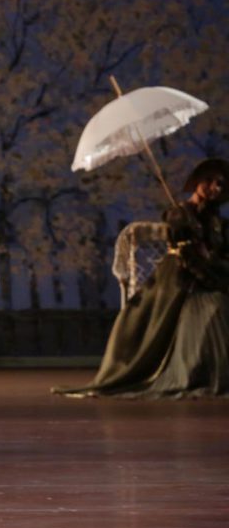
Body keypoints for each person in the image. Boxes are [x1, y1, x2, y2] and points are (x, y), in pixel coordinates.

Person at [54, 158, 229, 398]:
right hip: (180, 276)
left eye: (219, 183)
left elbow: (219, 252)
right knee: (211, 307)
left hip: (210, 275)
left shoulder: (217, 221)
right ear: (197, 181)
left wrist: (211, 258)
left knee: (219, 301)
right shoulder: (179, 213)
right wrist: (186, 232)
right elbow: (180, 244)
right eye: (208, 180)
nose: (213, 187)